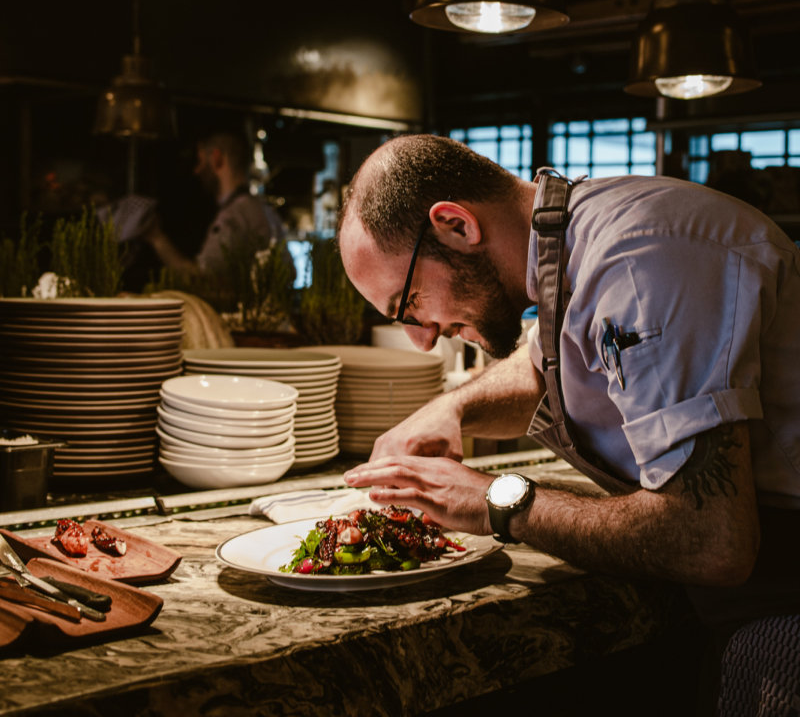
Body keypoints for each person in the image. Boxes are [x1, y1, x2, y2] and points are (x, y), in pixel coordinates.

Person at [336, 134, 800, 711]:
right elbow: (549, 364)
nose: (421, 339)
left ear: (456, 225)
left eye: (407, 305)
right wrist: (449, 408)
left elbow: (711, 541)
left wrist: (495, 501)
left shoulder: (639, 257)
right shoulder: (574, 243)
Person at [144, 131, 289, 275]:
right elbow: (289, 272)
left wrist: (157, 238)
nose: (196, 171)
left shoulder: (235, 215)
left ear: (217, 159)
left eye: (200, 161)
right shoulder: (264, 210)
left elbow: (201, 279)